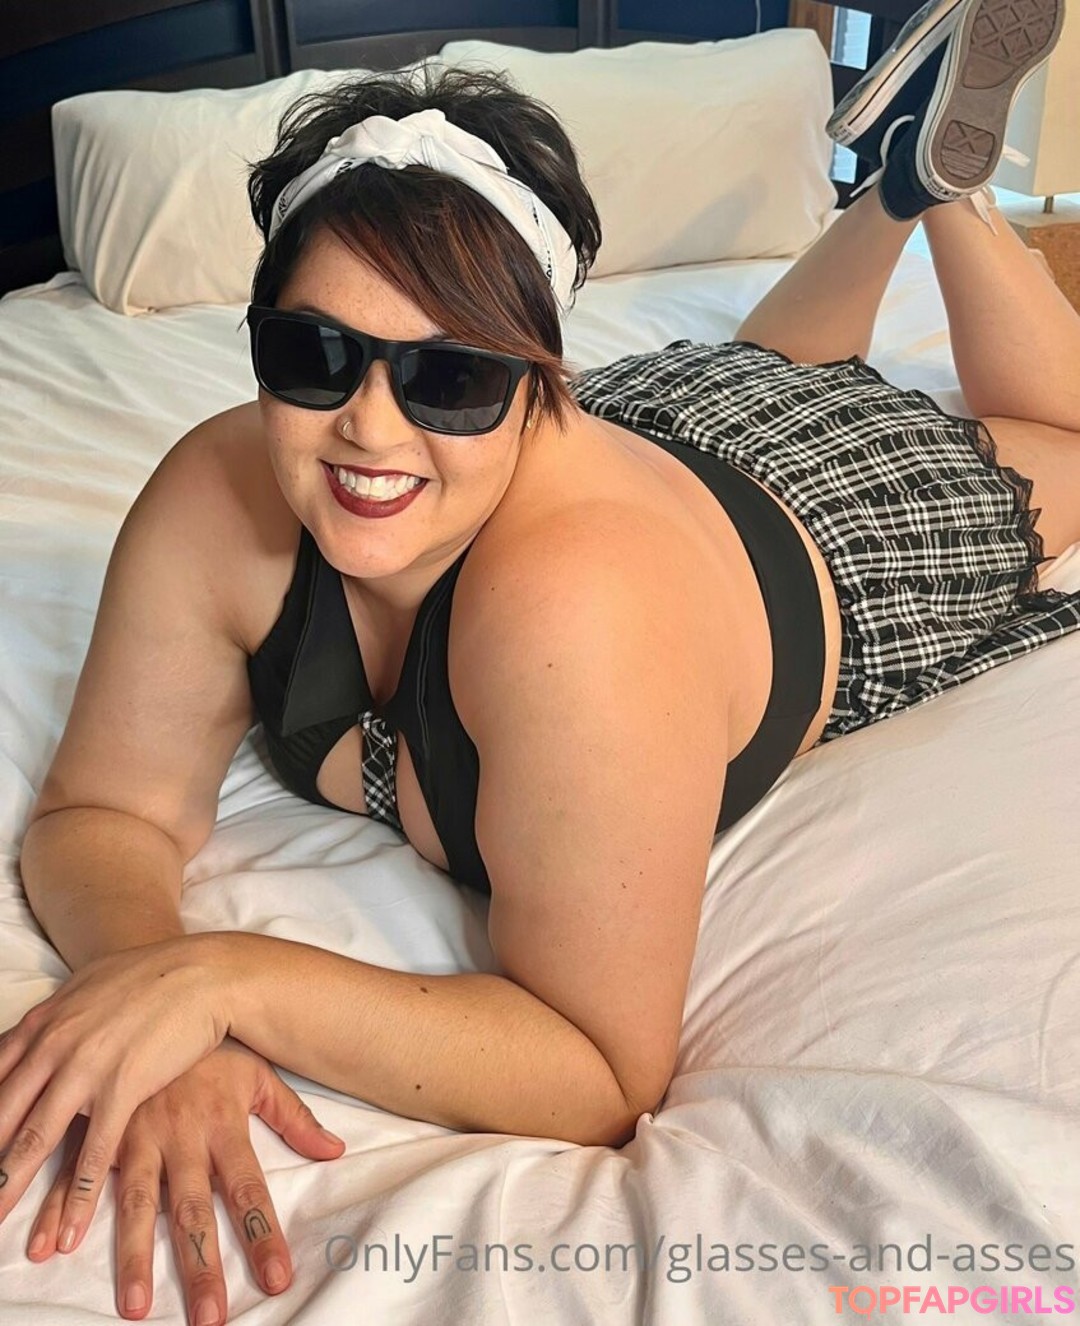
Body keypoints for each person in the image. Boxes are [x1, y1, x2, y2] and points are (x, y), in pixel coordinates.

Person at [9, 0, 1080, 1322]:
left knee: (1055, 437)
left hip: (826, 521)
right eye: (313, 353)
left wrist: (222, 980)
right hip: (661, 424)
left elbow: (601, 1068)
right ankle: (897, 181)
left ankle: (946, 194)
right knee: (758, 366)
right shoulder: (219, 492)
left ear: (535, 382)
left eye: (449, 376)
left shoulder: (585, 612)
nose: (368, 427)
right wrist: (150, 1004)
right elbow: (101, 814)